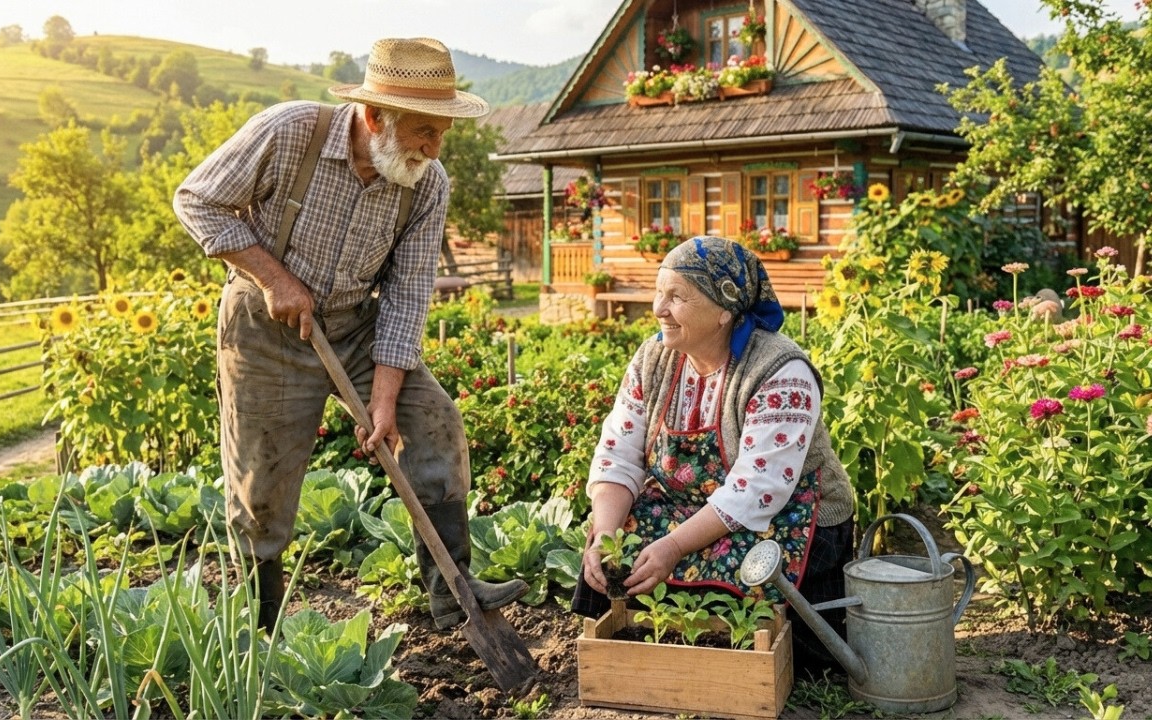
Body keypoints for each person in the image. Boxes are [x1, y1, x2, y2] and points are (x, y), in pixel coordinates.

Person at [173, 37, 528, 634]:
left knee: (433, 422)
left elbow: (410, 291)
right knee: (262, 483)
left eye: (440, 133)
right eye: (422, 131)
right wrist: (273, 278)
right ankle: (259, 623)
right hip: (266, 330)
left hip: (354, 325)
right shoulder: (289, 134)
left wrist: (384, 400)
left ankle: (451, 589)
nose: (433, 149)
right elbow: (197, 201)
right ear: (374, 116)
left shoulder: (426, 181)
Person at [575, 235, 856, 676]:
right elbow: (619, 452)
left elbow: (757, 490)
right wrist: (605, 535)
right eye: (658, 292)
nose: (657, 309)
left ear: (725, 310)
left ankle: (754, 665)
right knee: (619, 545)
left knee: (767, 595)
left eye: (676, 297)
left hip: (786, 512)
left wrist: (672, 546)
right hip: (684, 506)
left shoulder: (781, 372)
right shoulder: (654, 357)